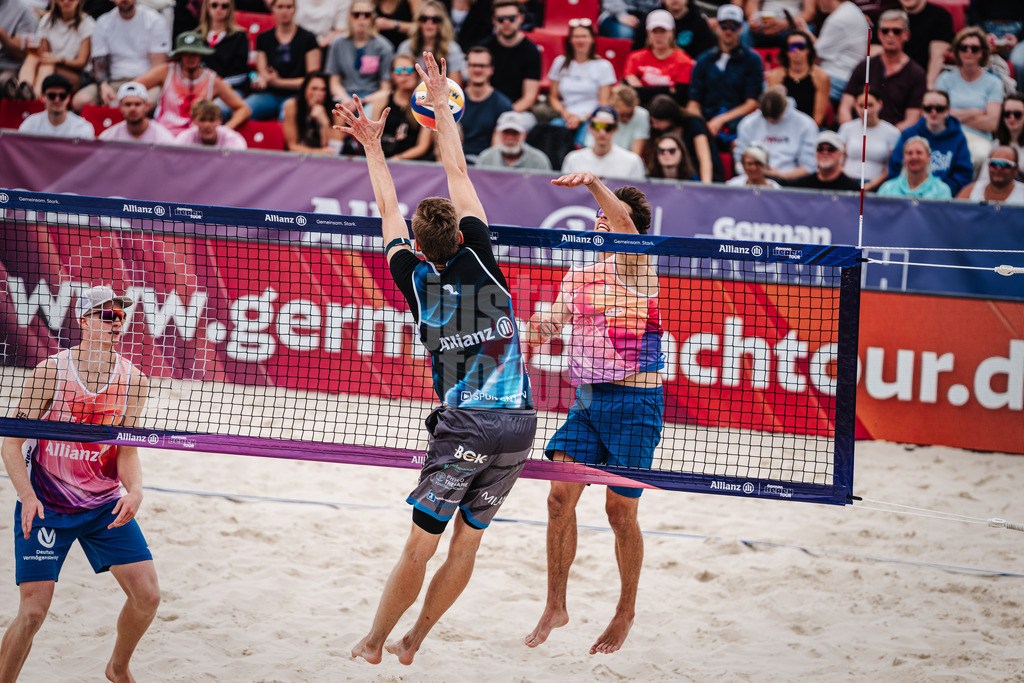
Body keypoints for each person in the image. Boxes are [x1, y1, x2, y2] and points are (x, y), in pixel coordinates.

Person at [337, 52, 537, 666]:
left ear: (421, 248)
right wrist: (442, 107)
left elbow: (387, 210)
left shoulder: (416, 281)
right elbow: (456, 168)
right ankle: (414, 641)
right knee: (466, 546)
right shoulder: (483, 262)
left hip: (466, 429)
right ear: (461, 235)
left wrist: (374, 145)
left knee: (419, 548)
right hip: (520, 425)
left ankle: (376, 641)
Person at [522, 172, 662, 657]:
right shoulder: (579, 275)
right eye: (597, 215)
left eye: (610, 217)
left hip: (636, 404)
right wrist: (533, 328)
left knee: (619, 513)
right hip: (587, 402)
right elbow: (546, 326)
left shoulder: (639, 266)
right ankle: (555, 605)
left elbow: (623, 225)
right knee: (558, 499)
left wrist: (595, 184)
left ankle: (625, 610)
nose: (602, 220)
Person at [0, 285, 160, 683]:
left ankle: (117, 668)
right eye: (107, 315)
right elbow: (11, 443)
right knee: (32, 614)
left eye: (121, 316)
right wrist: (26, 495)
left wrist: (136, 490)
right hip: (47, 504)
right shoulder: (51, 373)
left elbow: (125, 449)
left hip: (103, 506)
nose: (116, 323)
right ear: (84, 320)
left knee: (148, 596)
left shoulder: (135, 381)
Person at [136, 30, 250, 136]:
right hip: (163, 134)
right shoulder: (166, 71)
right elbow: (133, 87)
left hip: (196, 137)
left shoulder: (212, 80)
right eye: (186, 54)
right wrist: (142, 106)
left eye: (194, 54)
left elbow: (243, 109)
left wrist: (225, 129)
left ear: (201, 54)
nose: (190, 58)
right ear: (179, 55)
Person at [685, 4, 762, 151]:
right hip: (707, 123)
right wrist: (701, 125)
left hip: (738, 124)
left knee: (738, 144)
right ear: (717, 27)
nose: (728, 31)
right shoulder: (703, 60)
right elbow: (693, 102)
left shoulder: (752, 60)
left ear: (741, 28)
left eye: (733, 27)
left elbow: (752, 103)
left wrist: (721, 120)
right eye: (724, 26)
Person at [70, 0, 170, 111]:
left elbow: (158, 68)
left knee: (144, 105)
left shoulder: (154, 20)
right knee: (80, 101)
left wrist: (126, 92)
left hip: (146, 82)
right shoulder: (103, 22)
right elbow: (99, 65)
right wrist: (103, 85)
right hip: (113, 82)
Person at [838, 10, 924, 132]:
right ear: (879, 34)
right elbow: (845, 107)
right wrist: (851, 132)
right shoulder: (865, 66)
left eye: (896, 31)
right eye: (885, 31)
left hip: (895, 136)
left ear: (906, 35)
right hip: (861, 132)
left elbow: (912, 119)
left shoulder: (916, 73)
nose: (890, 35)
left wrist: (887, 136)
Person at [934, 26, 1004, 172]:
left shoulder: (994, 82)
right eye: (963, 47)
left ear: (982, 52)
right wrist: (975, 112)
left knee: (979, 156)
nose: (968, 51)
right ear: (957, 51)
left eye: (974, 48)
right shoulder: (944, 79)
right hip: (947, 135)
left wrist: (952, 115)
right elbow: (937, 115)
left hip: (979, 139)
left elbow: (991, 123)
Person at [888, 89, 974, 196]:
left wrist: (939, 190)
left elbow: (963, 175)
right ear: (922, 110)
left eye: (939, 108)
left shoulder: (958, 138)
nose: (934, 112)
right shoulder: (909, 134)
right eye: (928, 108)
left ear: (948, 110)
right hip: (906, 194)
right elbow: (895, 168)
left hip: (942, 196)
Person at [245, 0, 321, 120]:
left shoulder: (308, 38)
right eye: (280, 7)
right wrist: (262, 80)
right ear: (273, 9)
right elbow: (262, 70)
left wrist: (278, 82)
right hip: (269, 94)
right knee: (243, 110)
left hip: (296, 95)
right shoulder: (263, 38)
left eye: (288, 7)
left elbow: (312, 80)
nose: (284, 11)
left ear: (295, 9)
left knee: (286, 116)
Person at [548, 17, 616, 144]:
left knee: (585, 141)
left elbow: (604, 103)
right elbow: (553, 97)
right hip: (566, 115)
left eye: (584, 36)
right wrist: (565, 113)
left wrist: (581, 118)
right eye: (576, 37)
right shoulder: (560, 62)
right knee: (552, 135)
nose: (580, 40)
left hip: (592, 116)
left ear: (592, 39)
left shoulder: (603, 66)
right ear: (570, 40)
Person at [733, 86, 818, 182]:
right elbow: (739, 161)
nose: (771, 122)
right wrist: (757, 172)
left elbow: (809, 166)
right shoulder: (748, 123)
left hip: (791, 182)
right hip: (754, 179)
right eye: (767, 119)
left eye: (776, 119)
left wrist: (781, 176)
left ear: (785, 108)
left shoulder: (805, 124)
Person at [16, 0, 94, 98]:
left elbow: (81, 62)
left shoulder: (87, 23)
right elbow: (44, 53)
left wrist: (60, 60)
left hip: (77, 74)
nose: (66, 2)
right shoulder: (47, 20)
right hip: (50, 65)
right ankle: (24, 91)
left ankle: (34, 97)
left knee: (47, 66)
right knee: (32, 58)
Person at [794, 0, 868, 103]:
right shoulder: (850, 9)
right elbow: (823, 47)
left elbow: (815, 57)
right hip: (846, 75)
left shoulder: (838, 19)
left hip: (837, 79)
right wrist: (805, 32)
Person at [325, 0, 393, 108]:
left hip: (372, 99)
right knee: (340, 111)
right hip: (344, 97)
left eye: (367, 15)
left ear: (373, 18)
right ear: (349, 17)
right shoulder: (337, 44)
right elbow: (334, 83)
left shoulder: (384, 46)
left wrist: (361, 101)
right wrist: (346, 100)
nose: (361, 19)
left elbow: (386, 88)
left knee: (370, 113)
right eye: (356, 14)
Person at [363, 50, 431, 157]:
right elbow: (373, 137)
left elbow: (423, 146)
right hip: (382, 157)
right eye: (399, 70)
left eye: (409, 70)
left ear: (417, 73)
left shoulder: (425, 102)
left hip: (413, 161)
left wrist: (400, 158)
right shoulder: (382, 100)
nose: (404, 74)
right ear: (392, 75)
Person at [623, 9, 692, 107]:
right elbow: (628, 94)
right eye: (654, 31)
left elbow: (680, 98)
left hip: (668, 110)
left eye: (663, 31)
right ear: (648, 33)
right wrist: (666, 90)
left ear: (672, 32)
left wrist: (642, 89)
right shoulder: (635, 58)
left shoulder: (684, 61)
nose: (658, 36)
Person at [479, 0, 539, 113]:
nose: (506, 23)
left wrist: (505, 115)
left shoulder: (531, 51)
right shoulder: (484, 48)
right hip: (485, 109)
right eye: (501, 19)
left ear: (521, 18)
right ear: (494, 20)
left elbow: (529, 98)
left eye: (511, 18)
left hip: (517, 111)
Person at [838, 88, 901, 192]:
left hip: (876, 187)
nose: (865, 110)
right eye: (861, 106)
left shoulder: (892, 133)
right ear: (855, 106)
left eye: (870, 105)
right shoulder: (846, 128)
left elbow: (889, 168)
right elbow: (839, 161)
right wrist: (851, 184)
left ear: (880, 104)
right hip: (846, 184)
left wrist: (869, 186)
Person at [646, 92, 719, 182]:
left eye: (657, 122)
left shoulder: (693, 123)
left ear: (669, 117)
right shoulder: (658, 130)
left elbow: (704, 159)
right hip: (673, 176)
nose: (654, 125)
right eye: (652, 122)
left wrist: (705, 185)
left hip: (699, 174)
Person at [561, 105, 646, 180]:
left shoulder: (633, 161)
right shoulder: (572, 159)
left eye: (608, 127)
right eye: (597, 126)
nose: (602, 132)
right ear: (590, 128)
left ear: (616, 129)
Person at [765, 29, 829, 127]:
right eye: (791, 47)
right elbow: (773, 109)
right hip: (782, 127)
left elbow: (819, 118)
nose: (796, 50)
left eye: (801, 46)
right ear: (786, 51)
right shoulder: (775, 76)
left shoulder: (821, 77)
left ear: (808, 49)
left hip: (811, 127)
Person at [460, 45, 511, 162]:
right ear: (467, 68)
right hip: (457, 161)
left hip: (487, 164)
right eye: (473, 65)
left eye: (482, 66)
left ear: (491, 69)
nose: (477, 70)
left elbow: (498, 149)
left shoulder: (503, 105)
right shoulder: (455, 101)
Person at [396, 0, 465, 86]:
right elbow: (400, 82)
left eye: (435, 20)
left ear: (442, 23)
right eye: (424, 19)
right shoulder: (406, 47)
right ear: (418, 22)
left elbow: (455, 86)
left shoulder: (452, 49)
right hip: (412, 92)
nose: (429, 23)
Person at [195, 0, 250, 94]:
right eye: (214, 5)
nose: (219, 9)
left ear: (230, 9)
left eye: (224, 6)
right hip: (200, 87)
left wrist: (218, 86)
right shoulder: (196, 35)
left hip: (230, 89)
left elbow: (240, 71)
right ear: (207, 7)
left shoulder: (240, 36)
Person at [896, 0, 953, 89]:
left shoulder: (941, 16)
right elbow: (876, 53)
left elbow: (937, 57)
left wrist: (927, 87)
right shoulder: (887, 16)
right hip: (894, 79)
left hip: (923, 78)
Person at [18, 71, 94, 136]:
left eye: (62, 96)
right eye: (52, 96)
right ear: (43, 97)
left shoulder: (82, 127)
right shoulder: (30, 125)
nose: (57, 100)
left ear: (68, 97)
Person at [98, 79, 176, 141]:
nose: (132, 109)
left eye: (137, 104)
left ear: (147, 106)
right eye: (128, 104)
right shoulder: (108, 137)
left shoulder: (162, 137)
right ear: (120, 107)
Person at [281, 69, 339, 152]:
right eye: (314, 89)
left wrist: (324, 123)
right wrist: (318, 153)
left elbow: (333, 150)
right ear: (304, 89)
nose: (318, 94)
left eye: (323, 89)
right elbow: (292, 146)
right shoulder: (292, 106)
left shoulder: (336, 110)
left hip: (324, 158)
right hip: (301, 156)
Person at [879, 135, 953, 199]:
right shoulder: (888, 189)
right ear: (904, 158)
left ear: (928, 157)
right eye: (909, 153)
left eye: (919, 153)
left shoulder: (941, 190)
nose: (914, 157)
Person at [785, 129, 861, 190]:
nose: (825, 152)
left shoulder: (852, 187)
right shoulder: (802, 185)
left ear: (841, 154)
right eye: (820, 149)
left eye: (831, 149)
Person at [475, 109, 551, 169]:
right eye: (506, 133)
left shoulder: (539, 160)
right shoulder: (485, 158)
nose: (510, 138)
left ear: (524, 134)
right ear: (497, 133)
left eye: (515, 133)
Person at [957, 145, 1024, 204]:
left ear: (1016, 169)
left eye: (1005, 165)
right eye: (994, 164)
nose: (998, 168)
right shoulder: (969, 192)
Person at [648, 0, 715, 60]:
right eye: (657, 31)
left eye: (662, 31)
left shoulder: (699, 23)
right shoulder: (652, 18)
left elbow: (705, 54)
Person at [737, 0, 815, 49]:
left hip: (791, 25)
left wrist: (787, 23)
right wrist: (755, 20)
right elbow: (752, 4)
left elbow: (809, 11)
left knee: (806, 32)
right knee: (742, 31)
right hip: (763, 24)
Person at [174, 96, 248, 147]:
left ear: (219, 121)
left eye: (211, 120)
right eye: (202, 120)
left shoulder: (232, 139)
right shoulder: (185, 137)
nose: (207, 125)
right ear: (194, 120)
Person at [0, 0, 36, 101]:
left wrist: (2, 34)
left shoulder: (22, 10)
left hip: (8, 67)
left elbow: (19, 54)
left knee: (6, 84)